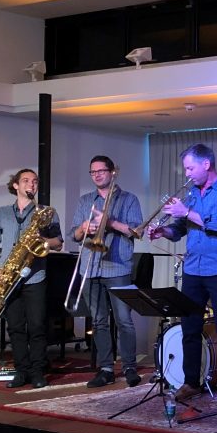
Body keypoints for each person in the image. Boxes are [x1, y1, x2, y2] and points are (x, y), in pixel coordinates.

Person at [148, 144, 217, 402]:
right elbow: (180, 228)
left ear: (206, 165)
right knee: (189, 327)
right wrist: (163, 231)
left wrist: (186, 211)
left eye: (190, 168)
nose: (187, 174)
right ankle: (191, 382)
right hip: (193, 268)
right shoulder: (191, 192)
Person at [0, 169, 63, 389]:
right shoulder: (2, 212)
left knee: (37, 326)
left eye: (35, 181)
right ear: (15, 185)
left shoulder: (46, 212)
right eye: (26, 181)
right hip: (9, 278)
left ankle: (37, 371)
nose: (31, 184)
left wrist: (42, 241)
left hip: (35, 276)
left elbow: (58, 242)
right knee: (15, 328)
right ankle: (21, 370)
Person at [70, 155, 144, 388]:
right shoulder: (85, 201)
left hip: (118, 267)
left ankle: (129, 367)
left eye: (101, 171)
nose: (97, 175)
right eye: (93, 172)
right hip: (90, 267)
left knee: (124, 321)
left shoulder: (129, 199)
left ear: (112, 172)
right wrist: (84, 227)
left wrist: (109, 222)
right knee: (99, 321)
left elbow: (137, 231)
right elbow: (74, 235)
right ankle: (106, 369)